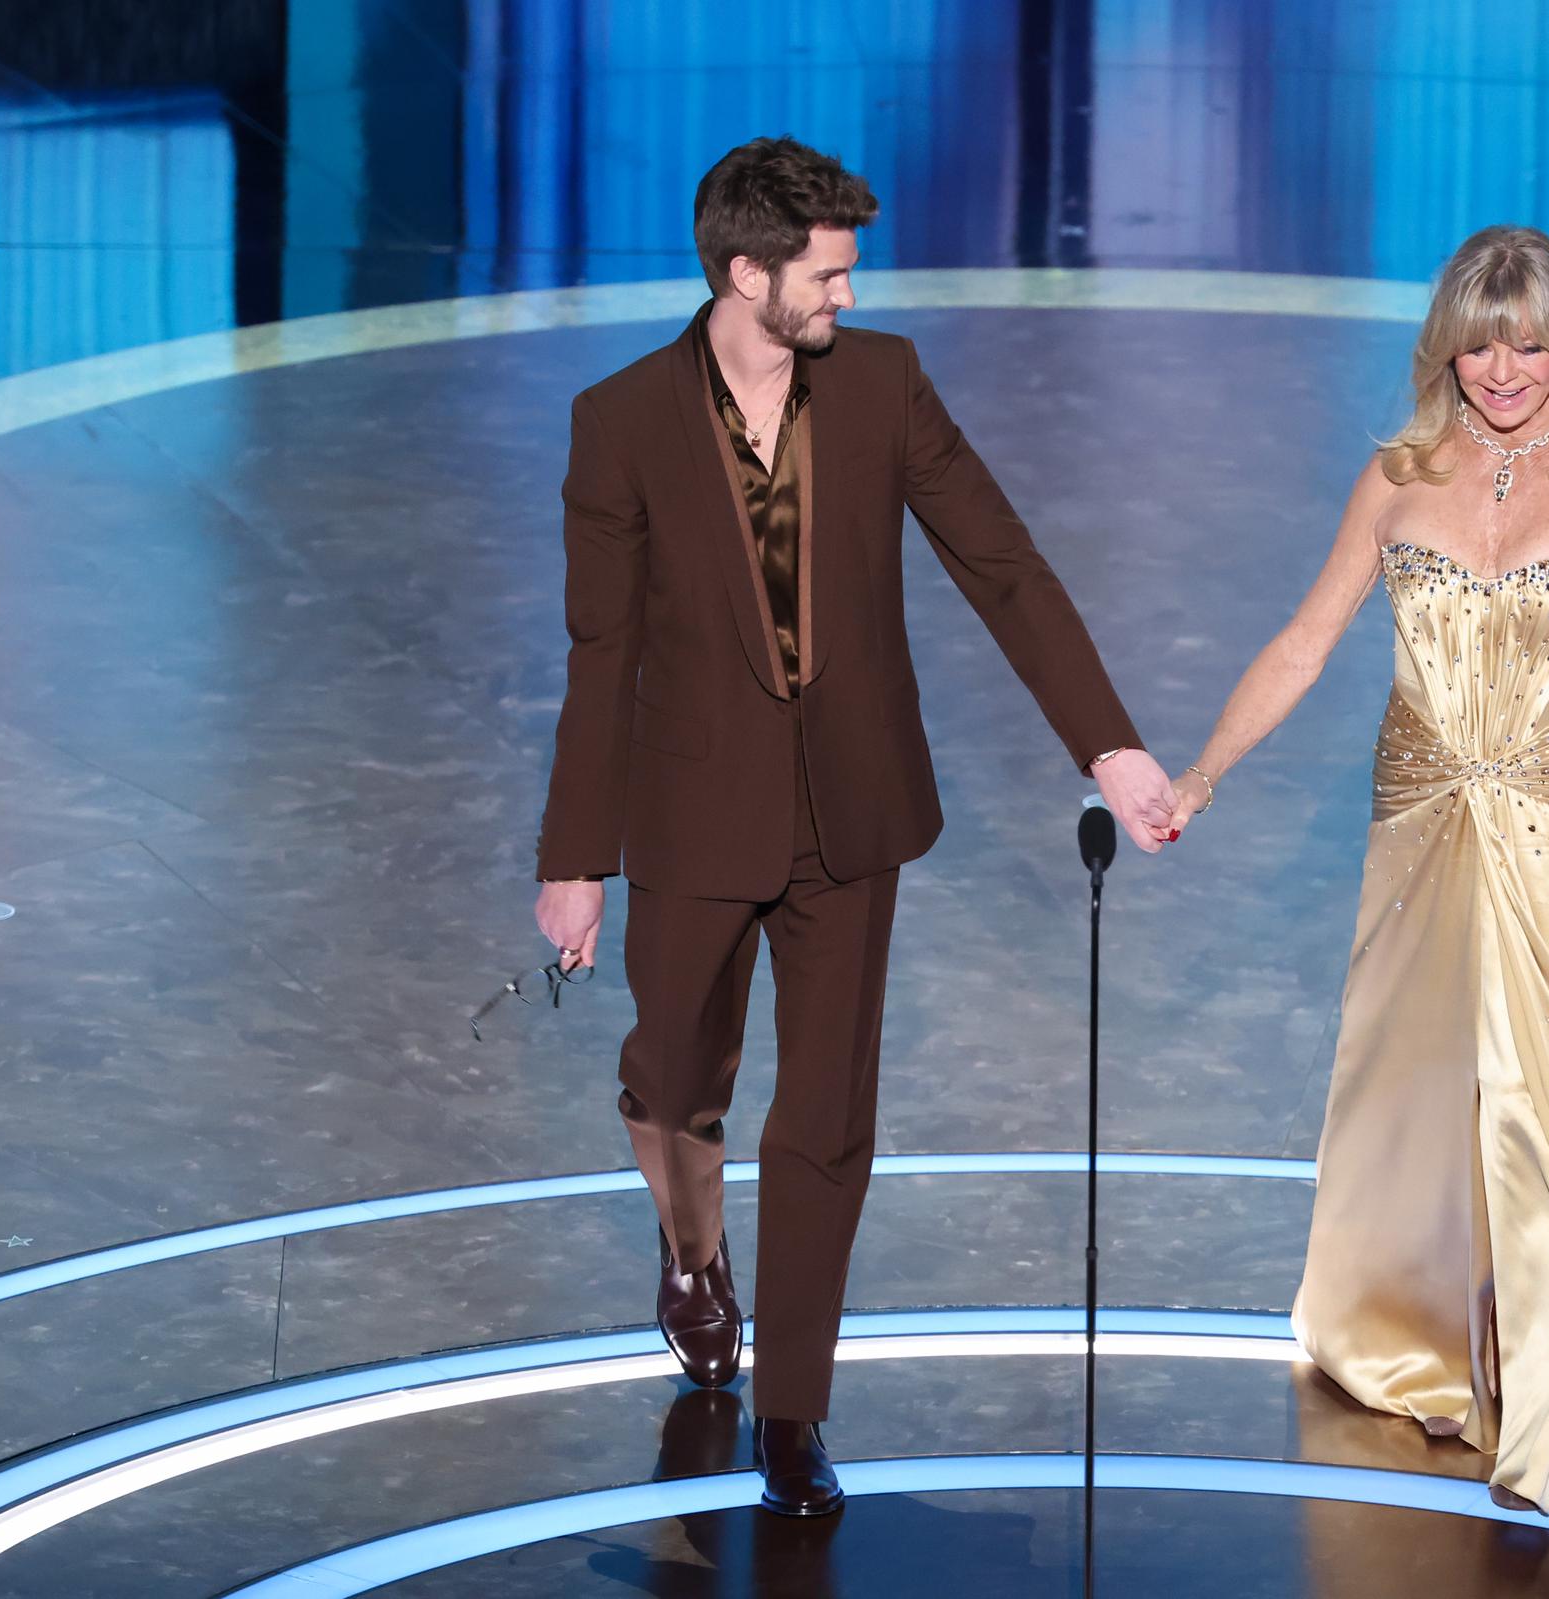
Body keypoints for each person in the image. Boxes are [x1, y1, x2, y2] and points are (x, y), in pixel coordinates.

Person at [532, 137, 1175, 1517]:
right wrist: (574, 860)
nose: (849, 288)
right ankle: (692, 1250)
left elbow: (1002, 566)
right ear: (747, 273)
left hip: (852, 813)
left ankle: (792, 1413)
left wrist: (1108, 745)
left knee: (824, 1120)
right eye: (825, 270)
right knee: (673, 1073)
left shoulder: (880, 384)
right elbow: (601, 656)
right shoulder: (623, 422)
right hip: (691, 816)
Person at [1164, 225, 1549, 1513]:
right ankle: (1424, 1340)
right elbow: (1309, 640)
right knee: (1422, 1095)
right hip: (1421, 822)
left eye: (1528, 343)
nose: (1503, 371)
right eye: (1481, 345)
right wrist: (1202, 777)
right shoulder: (1398, 476)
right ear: (1449, 348)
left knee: (1541, 1108)